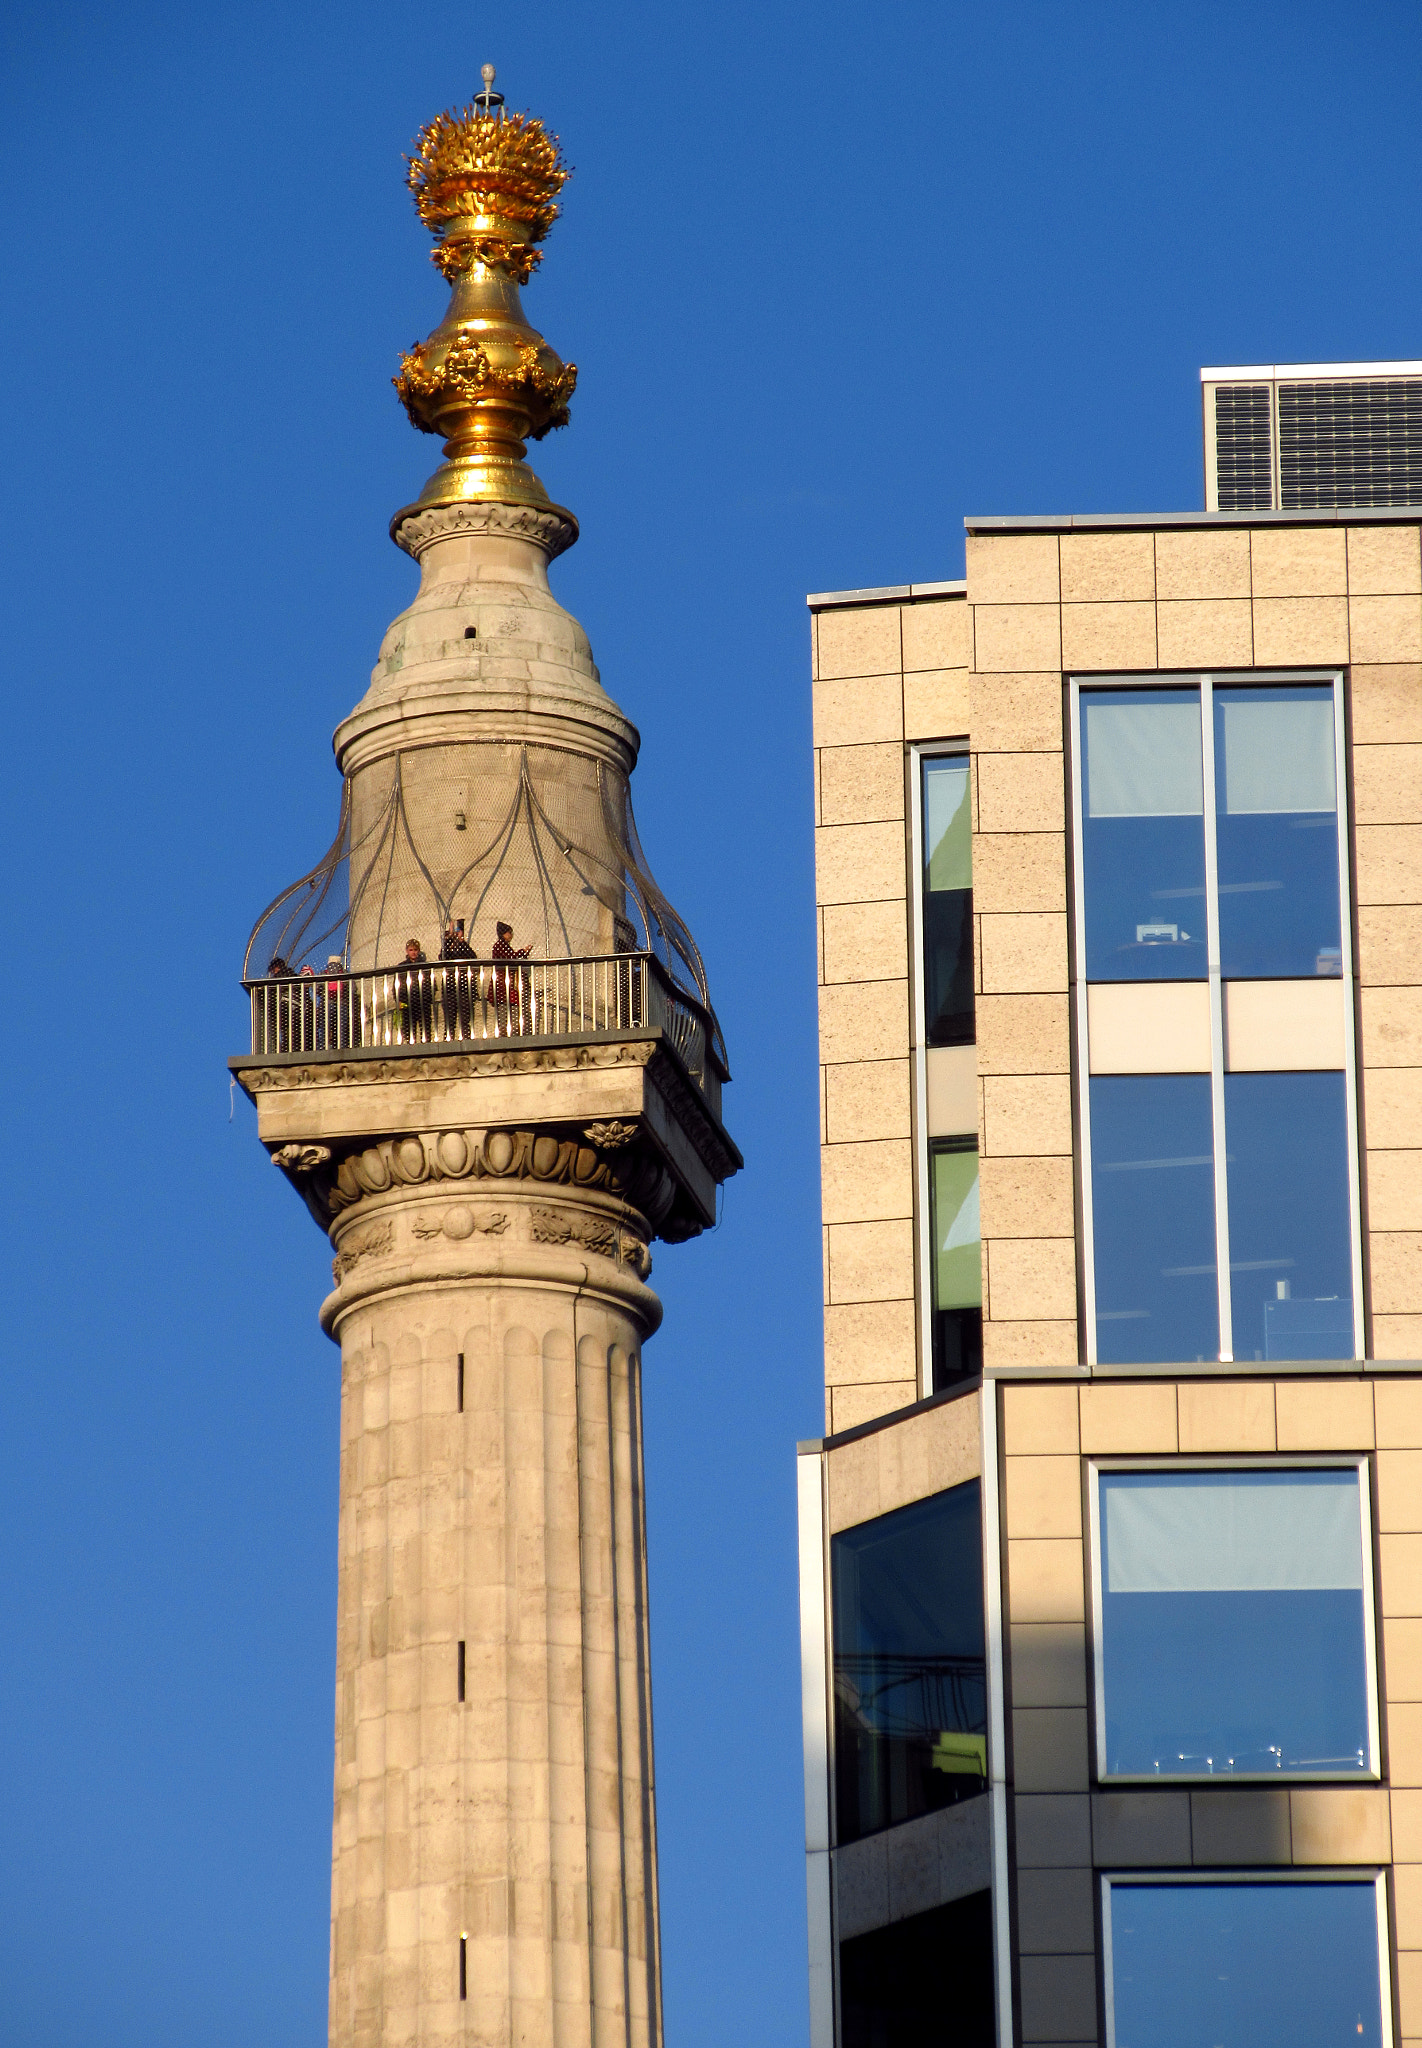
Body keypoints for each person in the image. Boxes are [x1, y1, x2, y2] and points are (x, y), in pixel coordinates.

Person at [490, 919, 532, 1035]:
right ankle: (504, 1033)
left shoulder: (504, 946)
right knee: (504, 1009)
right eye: (509, 932)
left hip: (508, 984)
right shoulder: (499, 946)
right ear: (504, 934)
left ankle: (513, 1031)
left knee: (512, 1007)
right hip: (503, 985)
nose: (511, 935)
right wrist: (523, 951)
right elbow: (511, 958)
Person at [440, 918, 477, 1040]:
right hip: (450, 989)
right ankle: (448, 1042)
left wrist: (461, 941)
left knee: (465, 1020)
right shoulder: (447, 950)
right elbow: (443, 957)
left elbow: (473, 957)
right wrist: (449, 938)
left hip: (464, 988)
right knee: (450, 1021)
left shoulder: (464, 947)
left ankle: (466, 1040)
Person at [397, 938, 433, 1043]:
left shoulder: (424, 966)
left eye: (416, 950)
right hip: (408, 1002)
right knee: (408, 1030)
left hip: (423, 1001)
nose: (413, 952)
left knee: (426, 1029)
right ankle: (409, 1053)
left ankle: (427, 1050)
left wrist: (428, 998)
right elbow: (397, 985)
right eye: (411, 950)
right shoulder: (402, 967)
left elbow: (431, 983)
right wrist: (399, 999)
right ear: (407, 951)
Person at [265, 955, 294, 1051]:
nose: (273, 973)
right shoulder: (293, 975)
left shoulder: (277, 979)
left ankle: (285, 1049)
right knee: (295, 1031)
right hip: (297, 1009)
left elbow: (273, 997)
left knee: (286, 1032)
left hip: (285, 1008)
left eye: (273, 970)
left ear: (277, 968)